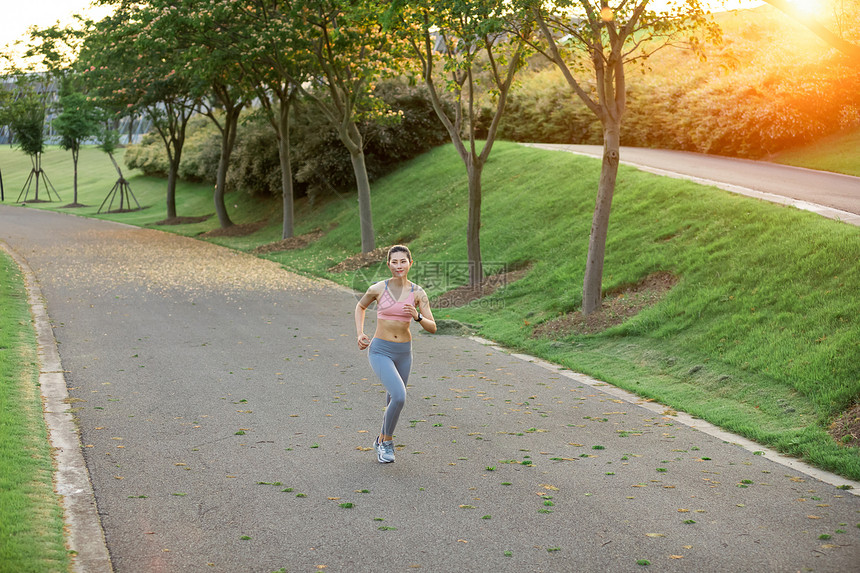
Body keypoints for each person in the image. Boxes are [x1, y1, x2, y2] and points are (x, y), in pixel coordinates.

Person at [355, 245, 436, 463]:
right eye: (394, 262)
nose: (398, 265)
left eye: (403, 261)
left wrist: (417, 316)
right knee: (399, 396)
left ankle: (380, 440)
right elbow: (360, 307)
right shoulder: (378, 289)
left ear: (411, 263)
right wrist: (360, 333)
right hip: (380, 350)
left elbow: (433, 327)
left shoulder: (418, 293)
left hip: (404, 353)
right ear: (388, 264)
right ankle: (387, 443)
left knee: (393, 399)